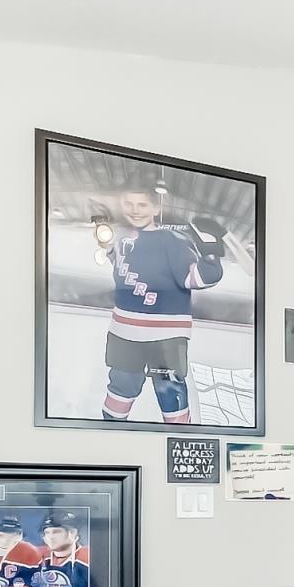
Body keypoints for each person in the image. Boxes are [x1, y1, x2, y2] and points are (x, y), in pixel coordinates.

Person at [98, 181, 227, 424]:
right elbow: (121, 266)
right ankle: (109, 434)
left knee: (170, 391)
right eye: (129, 203)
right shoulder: (122, 237)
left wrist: (210, 255)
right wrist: (106, 245)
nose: (135, 210)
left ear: (156, 208)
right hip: (123, 332)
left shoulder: (171, 240)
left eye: (142, 204)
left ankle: (179, 438)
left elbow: (195, 277)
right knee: (122, 385)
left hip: (165, 335)